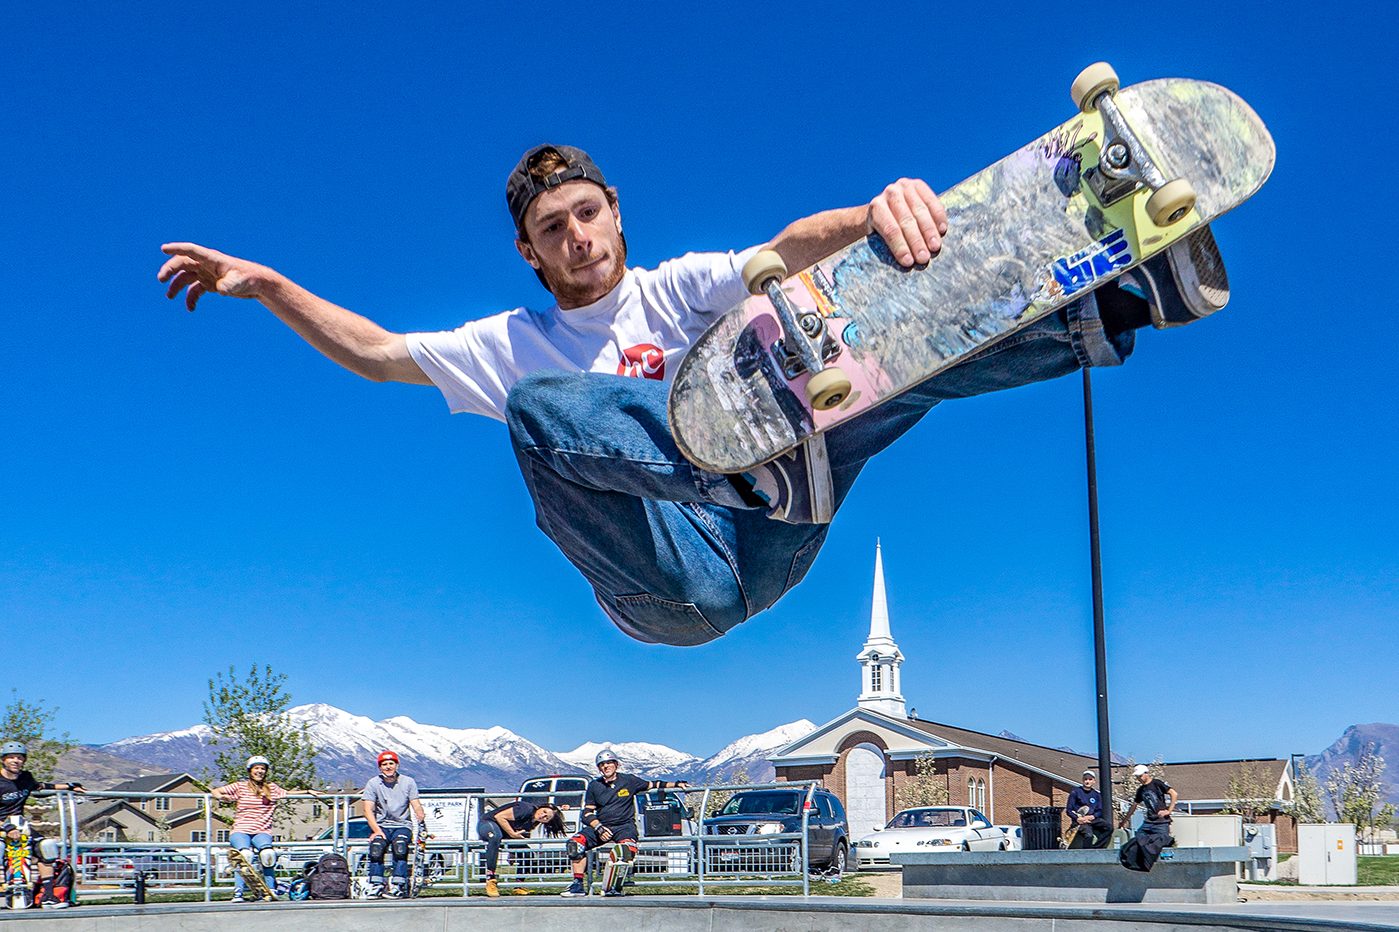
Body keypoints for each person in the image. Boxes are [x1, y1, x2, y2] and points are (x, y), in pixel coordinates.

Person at [158, 144, 1229, 648]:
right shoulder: (510, 341)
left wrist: (871, 215)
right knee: (540, 409)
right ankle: (739, 464)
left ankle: (1118, 307)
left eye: (587, 214)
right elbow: (378, 352)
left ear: (616, 215)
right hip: (673, 588)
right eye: (551, 230)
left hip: (776, 531)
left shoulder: (676, 287)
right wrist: (269, 286)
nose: (576, 237)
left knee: (873, 356)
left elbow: (788, 249)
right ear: (531, 255)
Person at [561, 748, 689, 897]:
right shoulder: (595, 786)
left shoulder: (629, 780)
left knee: (626, 850)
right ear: (599, 768)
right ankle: (577, 885)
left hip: (624, 826)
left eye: (609, 763)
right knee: (574, 845)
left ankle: (614, 885)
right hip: (602, 826)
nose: (606, 766)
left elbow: (653, 784)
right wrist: (599, 827)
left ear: (617, 765)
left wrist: (677, 784)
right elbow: (587, 813)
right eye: (602, 764)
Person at [0, 741, 85, 908]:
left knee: (47, 847)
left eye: (19, 758)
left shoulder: (25, 778)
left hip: (20, 825)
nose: (16, 761)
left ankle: (48, 896)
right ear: (3, 760)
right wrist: (6, 827)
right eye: (11, 757)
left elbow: (41, 786)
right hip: (3, 825)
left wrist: (70, 786)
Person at [209, 755, 292, 901]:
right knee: (245, 856)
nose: (260, 771)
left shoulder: (271, 788)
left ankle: (270, 889)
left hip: (262, 830)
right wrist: (222, 798)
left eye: (262, 769)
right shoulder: (240, 786)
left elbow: (289, 793)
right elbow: (215, 791)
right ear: (250, 771)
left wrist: (309, 792)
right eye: (256, 768)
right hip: (241, 830)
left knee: (268, 855)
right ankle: (238, 892)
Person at [361, 750, 426, 898]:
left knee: (400, 847)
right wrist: (376, 830)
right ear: (380, 767)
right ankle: (376, 884)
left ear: (397, 765)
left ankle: (398, 885)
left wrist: (420, 813)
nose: (388, 767)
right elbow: (367, 809)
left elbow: (415, 803)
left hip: (402, 825)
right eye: (384, 764)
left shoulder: (408, 782)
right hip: (382, 825)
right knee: (376, 847)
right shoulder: (373, 783)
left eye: (391, 763)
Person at [475, 799, 567, 897]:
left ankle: (518, 885)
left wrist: (516, 841)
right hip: (488, 823)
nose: (542, 816)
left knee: (527, 853)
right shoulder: (526, 809)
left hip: (505, 833)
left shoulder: (534, 822)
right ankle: (490, 879)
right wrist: (512, 834)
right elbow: (499, 816)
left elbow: (518, 833)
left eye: (546, 818)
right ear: (541, 807)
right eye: (544, 812)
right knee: (495, 837)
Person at [1120, 764, 1177, 839]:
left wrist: (1169, 811)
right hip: (1149, 821)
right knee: (1139, 839)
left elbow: (1174, 793)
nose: (1139, 779)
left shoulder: (1156, 783)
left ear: (1146, 773)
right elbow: (1133, 806)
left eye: (1140, 776)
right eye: (1137, 777)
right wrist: (1124, 821)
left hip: (1161, 822)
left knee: (1161, 841)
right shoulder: (1141, 790)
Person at [1064, 769, 1112, 849]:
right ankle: (1086, 853)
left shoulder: (1096, 795)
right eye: (1085, 779)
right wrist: (1077, 818)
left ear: (1094, 781)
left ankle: (1096, 848)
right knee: (1089, 835)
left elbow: (1099, 810)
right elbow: (1069, 810)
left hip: (1092, 819)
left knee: (1109, 828)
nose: (1087, 781)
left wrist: (1092, 817)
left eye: (1090, 779)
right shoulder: (1075, 792)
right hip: (1080, 821)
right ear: (1083, 780)